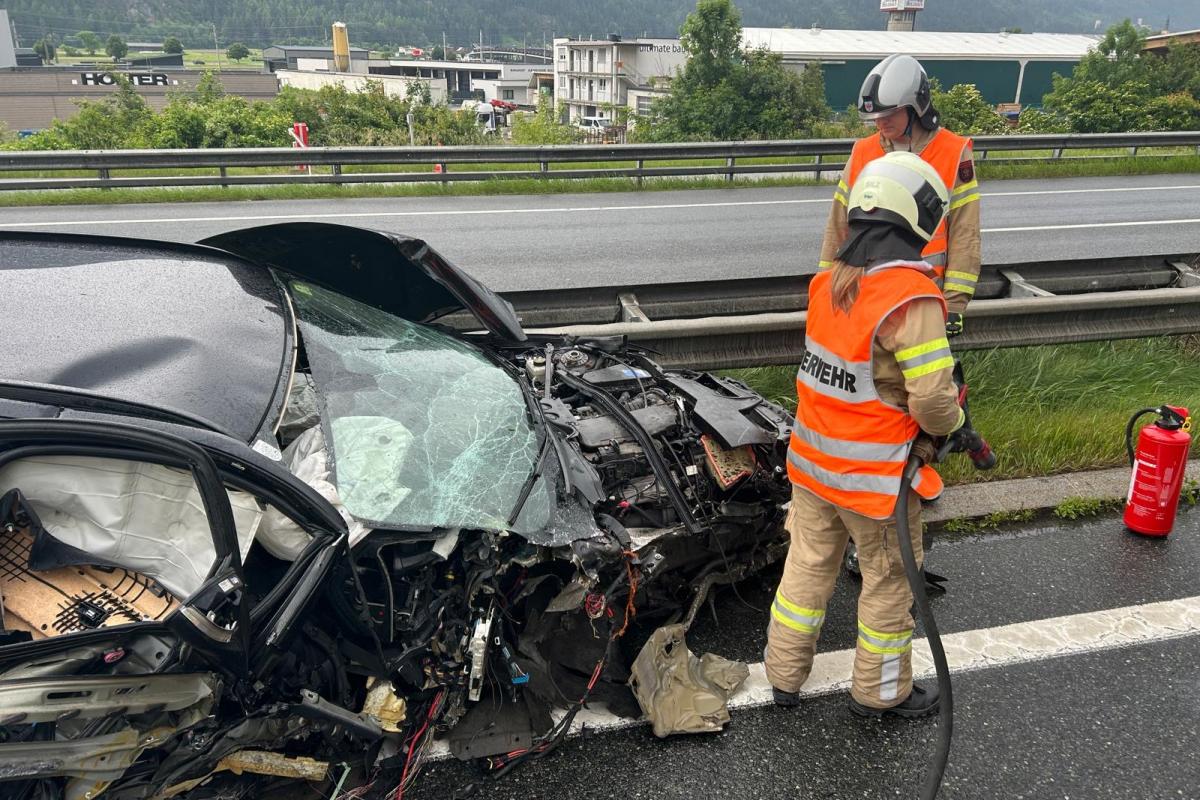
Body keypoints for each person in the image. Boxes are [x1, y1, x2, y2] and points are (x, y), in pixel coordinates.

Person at [767, 150, 965, 718]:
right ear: (918, 218)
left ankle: (783, 677)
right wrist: (951, 427)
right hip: (874, 480)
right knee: (889, 581)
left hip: (812, 463)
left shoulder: (829, 282)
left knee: (806, 567)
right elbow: (933, 400)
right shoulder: (908, 297)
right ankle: (880, 694)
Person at [818, 54, 981, 339]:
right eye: (876, 116)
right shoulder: (863, 152)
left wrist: (955, 303)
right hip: (867, 295)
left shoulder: (953, 152)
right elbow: (837, 225)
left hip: (923, 297)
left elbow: (965, 231)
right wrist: (825, 287)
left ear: (916, 107)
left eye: (890, 113)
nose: (880, 121)